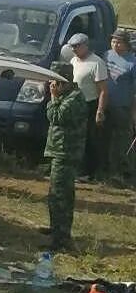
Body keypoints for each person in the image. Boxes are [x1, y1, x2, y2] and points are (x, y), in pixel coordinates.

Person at [43, 62, 88, 250]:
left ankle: (61, 238)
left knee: (59, 195)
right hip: (58, 151)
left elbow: (57, 116)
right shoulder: (65, 96)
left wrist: (53, 98)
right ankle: (56, 229)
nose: (52, 86)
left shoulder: (75, 98)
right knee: (57, 194)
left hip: (66, 153)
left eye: (56, 82)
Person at [67, 32, 109, 180]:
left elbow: (103, 90)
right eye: (72, 46)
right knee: (74, 137)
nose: (73, 49)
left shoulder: (97, 63)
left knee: (88, 138)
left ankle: (88, 172)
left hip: (90, 104)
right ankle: (76, 168)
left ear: (85, 46)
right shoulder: (73, 61)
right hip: (74, 104)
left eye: (76, 46)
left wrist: (100, 110)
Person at [104, 30, 136, 184]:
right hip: (104, 104)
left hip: (122, 106)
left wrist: (133, 111)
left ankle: (120, 172)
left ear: (126, 44)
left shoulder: (132, 62)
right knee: (103, 138)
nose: (115, 45)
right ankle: (102, 169)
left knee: (121, 141)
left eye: (119, 42)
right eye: (113, 41)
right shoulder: (106, 55)